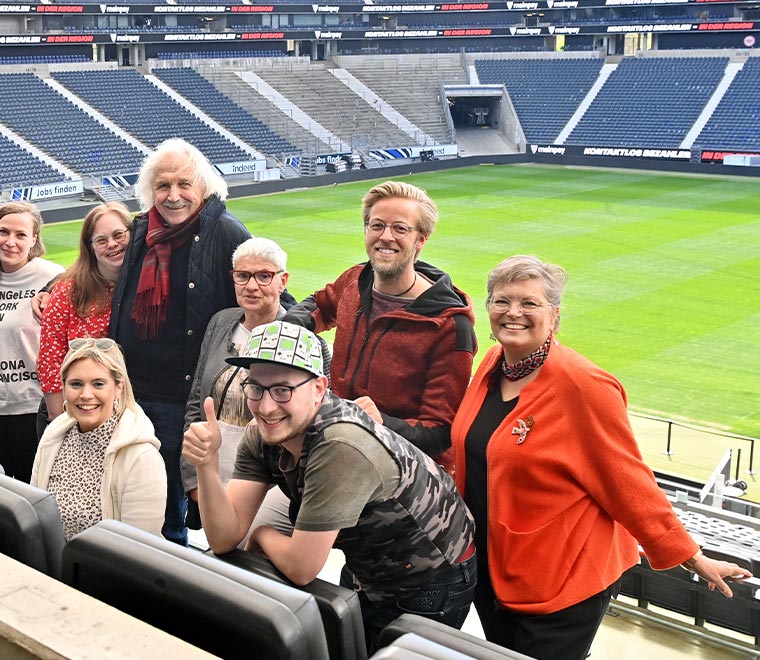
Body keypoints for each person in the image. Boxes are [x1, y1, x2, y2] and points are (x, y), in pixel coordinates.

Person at [451, 255, 751, 660]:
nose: (513, 313)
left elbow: (628, 480)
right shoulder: (491, 365)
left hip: (561, 579)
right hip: (493, 569)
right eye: (502, 301)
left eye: (530, 303)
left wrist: (690, 554)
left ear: (554, 315)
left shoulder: (584, 386)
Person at [184, 321, 476, 652]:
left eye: (283, 390)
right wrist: (206, 465)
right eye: (256, 387)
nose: (266, 407)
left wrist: (262, 533)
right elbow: (223, 538)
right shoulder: (263, 433)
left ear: (319, 389)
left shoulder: (341, 445)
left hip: (431, 575)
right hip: (368, 564)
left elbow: (301, 567)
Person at [108, 138, 253, 545]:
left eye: (183, 184)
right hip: (131, 392)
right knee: (133, 488)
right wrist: (52, 288)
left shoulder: (226, 232)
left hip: (182, 396)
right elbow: (94, 266)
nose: (173, 196)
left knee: (169, 504)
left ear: (204, 186)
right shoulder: (142, 230)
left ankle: (170, 579)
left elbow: (268, 291)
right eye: (163, 185)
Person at [283, 181, 474, 465]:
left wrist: (380, 422)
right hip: (338, 446)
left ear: (421, 239)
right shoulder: (356, 279)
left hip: (404, 469)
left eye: (400, 228)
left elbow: (440, 432)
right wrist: (286, 330)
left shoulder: (449, 326)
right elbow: (321, 305)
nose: (386, 237)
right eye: (377, 226)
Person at [180, 237, 291, 529]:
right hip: (212, 477)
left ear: (283, 281)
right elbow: (196, 403)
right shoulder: (220, 322)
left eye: (264, 276)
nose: (251, 286)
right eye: (243, 276)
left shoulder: (297, 336)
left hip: (266, 489)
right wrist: (196, 479)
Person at [32, 338, 166, 540]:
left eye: (98, 384)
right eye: (76, 384)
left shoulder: (141, 457)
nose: (86, 394)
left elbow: (139, 551)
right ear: (64, 387)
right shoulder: (53, 437)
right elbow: (34, 513)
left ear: (118, 387)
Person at [0, 201, 64, 480]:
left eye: (21, 235)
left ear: (34, 239)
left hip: (32, 412)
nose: (10, 241)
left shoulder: (51, 276)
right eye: (4, 232)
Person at [37, 202, 132, 423]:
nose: (112, 244)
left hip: (126, 417)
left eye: (119, 235)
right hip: (73, 417)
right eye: (101, 240)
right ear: (90, 247)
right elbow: (50, 361)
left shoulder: (145, 286)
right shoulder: (68, 292)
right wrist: (63, 422)